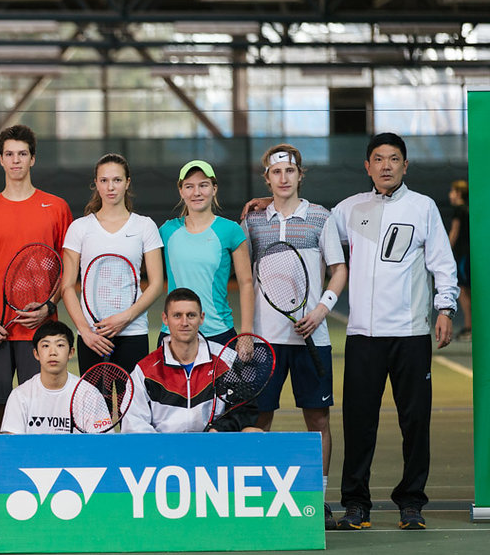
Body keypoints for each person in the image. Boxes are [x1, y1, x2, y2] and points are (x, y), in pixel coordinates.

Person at [331, 133, 458, 531]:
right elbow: (313, 225)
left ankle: (411, 502)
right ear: (367, 166)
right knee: (358, 421)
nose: (386, 165)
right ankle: (356, 504)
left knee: (415, 421)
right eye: (378, 159)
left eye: (394, 159)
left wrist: (445, 307)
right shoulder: (351, 209)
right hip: (363, 337)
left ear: (406, 166)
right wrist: (271, 203)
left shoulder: (423, 208)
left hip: (410, 334)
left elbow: (442, 262)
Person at [242, 143, 348, 530]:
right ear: (266, 177)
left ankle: (317, 501)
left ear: (300, 175)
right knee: (260, 419)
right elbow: (243, 274)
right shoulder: (252, 221)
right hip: (265, 342)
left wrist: (320, 310)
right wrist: (248, 331)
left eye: (290, 172)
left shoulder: (321, 218)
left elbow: (338, 269)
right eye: (276, 172)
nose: (283, 178)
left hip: (311, 338)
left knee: (317, 420)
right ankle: (256, 499)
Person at [0, 125, 72, 473]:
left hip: (42, 334)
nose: (16, 160)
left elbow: (65, 269)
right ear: (1, 160)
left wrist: (48, 306)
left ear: (32, 158)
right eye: (9, 154)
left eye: (22, 154)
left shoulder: (56, 207)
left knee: (45, 417)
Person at [61, 153, 164, 374]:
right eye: (104, 180)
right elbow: (67, 286)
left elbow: (156, 284)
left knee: (132, 407)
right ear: (96, 184)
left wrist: (125, 317)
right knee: (96, 408)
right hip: (92, 338)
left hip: (133, 333)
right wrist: (85, 332)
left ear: (127, 183)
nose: (111, 187)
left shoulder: (145, 226)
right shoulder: (79, 228)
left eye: (117, 180)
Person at [125, 288, 261, 434]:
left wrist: (218, 429)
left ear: (201, 318)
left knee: (253, 431)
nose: (184, 322)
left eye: (191, 315)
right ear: (165, 319)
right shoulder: (145, 370)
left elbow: (246, 409)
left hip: (213, 448)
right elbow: (134, 423)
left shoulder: (227, 360)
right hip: (164, 451)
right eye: (177, 315)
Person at [158, 160, 254, 347]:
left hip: (219, 334)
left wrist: (247, 334)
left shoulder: (231, 230)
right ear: (181, 191)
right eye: (189, 186)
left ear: (214, 188)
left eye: (203, 185)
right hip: (173, 334)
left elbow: (246, 283)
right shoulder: (166, 231)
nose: (197, 192)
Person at [0, 321, 81, 435]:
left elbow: (103, 445)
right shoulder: (20, 396)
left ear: (71, 352)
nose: (53, 352)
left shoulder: (87, 393)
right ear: (36, 354)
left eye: (60, 345)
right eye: (46, 346)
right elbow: (12, 446)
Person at [448, 180, 471, 341]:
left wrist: (444, 253)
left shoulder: (458, 210)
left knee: (462, 291)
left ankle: (469, 327)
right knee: (467, 291)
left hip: (463, 256)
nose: (450, 195)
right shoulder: (468, 210)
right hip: (468, 255)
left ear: (458, 193)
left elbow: (454, 233)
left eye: (452, 191)